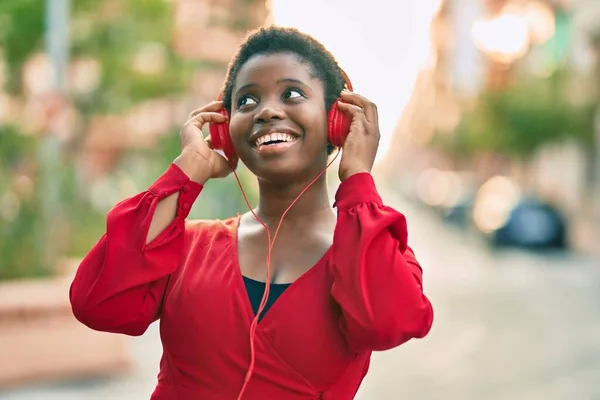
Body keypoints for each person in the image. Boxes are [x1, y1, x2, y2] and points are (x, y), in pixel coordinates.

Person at [69, 25, 434, 400]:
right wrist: (189, 168)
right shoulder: (188, 245)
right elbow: (98, 303)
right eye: (246, 102)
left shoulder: (375, 252)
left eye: (292, 94)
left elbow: (386, 323)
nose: (267, 111)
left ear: (336, 122)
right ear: (226, 129)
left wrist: (358, 179)